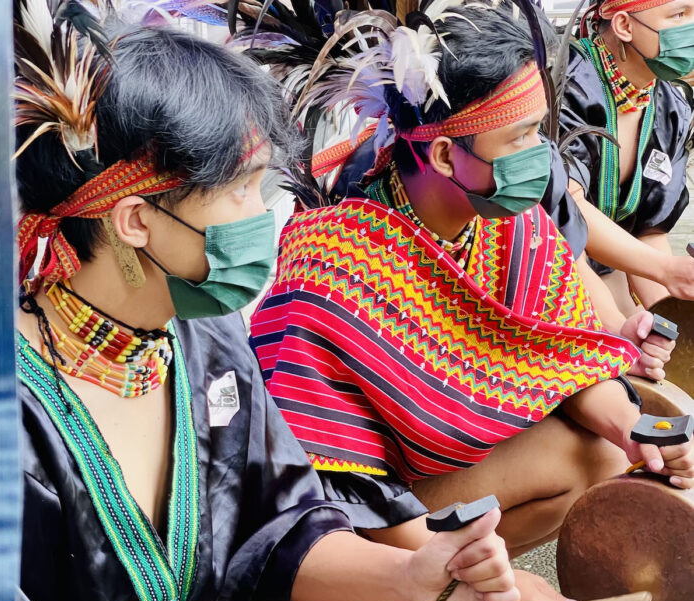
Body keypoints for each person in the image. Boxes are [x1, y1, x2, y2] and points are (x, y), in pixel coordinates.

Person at [15, 10, 524, 601]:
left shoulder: (201, 341)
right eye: (246, 189)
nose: (270, 215)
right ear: (136, 218)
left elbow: (272, 528)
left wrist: (417, 571)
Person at [249, 1, 694, 560]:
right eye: (522, 138)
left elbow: (560, 357)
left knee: (606, 453)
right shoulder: (335, 262)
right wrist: (425, 571)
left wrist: (637, 432)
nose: (541, 157)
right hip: (357, 506)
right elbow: (330, 477)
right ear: (441, 154)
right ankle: (425, 592)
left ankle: (463, 586)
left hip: (444, 467)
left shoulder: (512, 221)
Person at [559, 0, 694, 315]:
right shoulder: (563, 87)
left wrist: (669, 313)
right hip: (550, 266)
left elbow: (649, 228)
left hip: (609, 268)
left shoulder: (671, 109)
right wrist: (665, 270)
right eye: (679, 14)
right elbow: (566, 208)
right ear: (624, 25)